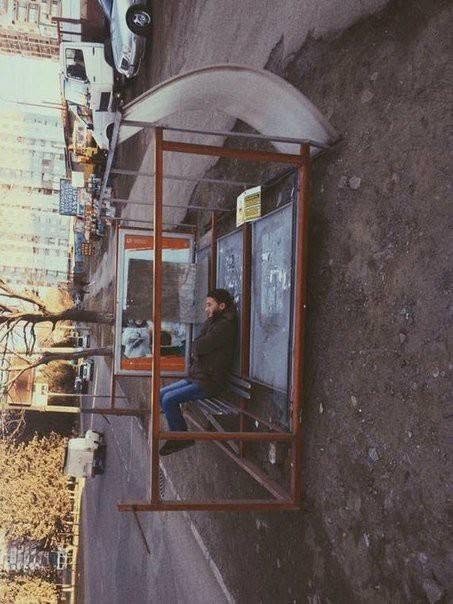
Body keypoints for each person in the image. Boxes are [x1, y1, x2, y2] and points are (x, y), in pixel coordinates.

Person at [159, 288, 237, 456]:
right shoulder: (213, 322)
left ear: (222, 306)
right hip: (199, 376)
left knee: (168, 400)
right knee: (161, 394)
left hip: (210, 381)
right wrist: (198, 347)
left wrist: (198, 348)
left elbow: (199, 346)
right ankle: (177, 432)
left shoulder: (224, 326)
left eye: (209, 305)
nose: (206, 308)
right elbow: (197, 344)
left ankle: (180, 437)